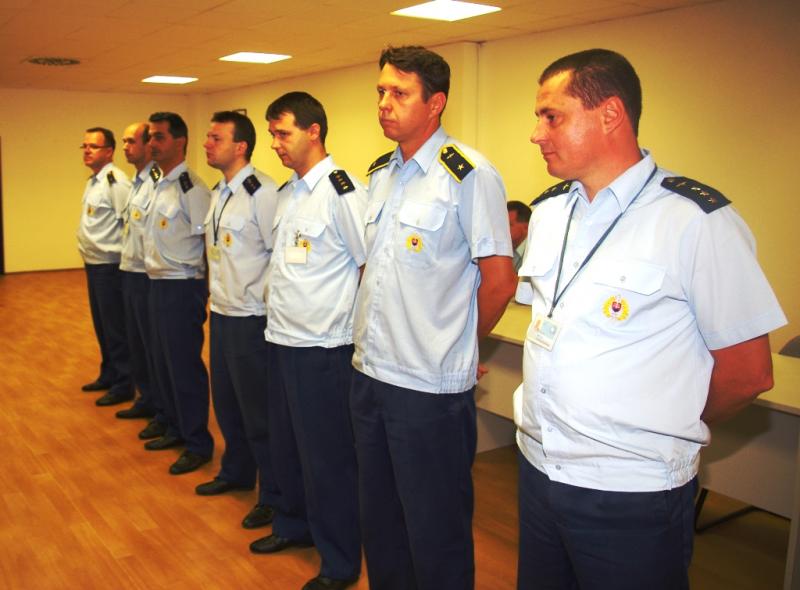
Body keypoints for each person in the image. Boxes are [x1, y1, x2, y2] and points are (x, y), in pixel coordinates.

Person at [516, 48, 787, 590]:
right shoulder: (547, 213)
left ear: (610, 114)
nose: (536, 133)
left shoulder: (694, 220)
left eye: (552, 116)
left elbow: (748, 372)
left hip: (630, 488)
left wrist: (666, 424)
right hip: (539, 467)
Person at [351, 46, 518, 590]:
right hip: (370, 374)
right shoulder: (380, 173)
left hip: (427, 388)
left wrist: (460, 346)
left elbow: (499, 280)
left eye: (399, 93)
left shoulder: (467, 175)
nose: (384, 103)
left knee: (435, 530)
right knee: (380, 523)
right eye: (381, 91)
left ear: (435, 102)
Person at [250, 92, 365, 590]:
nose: (275, 143)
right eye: (272, 134)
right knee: (287, 447)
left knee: (327, 460)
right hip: (281, 338)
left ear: (313, 131)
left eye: (283, 133)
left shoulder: (343, 192)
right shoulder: (288, 191)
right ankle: (293, 525)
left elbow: (368, 268)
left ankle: (339, 561)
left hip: (323, 348)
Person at [195, 110, 279, 532]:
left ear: (240, 146)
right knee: (227, 403)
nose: (207, 144)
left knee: (258, 413)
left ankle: (273, 495)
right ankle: (237, 471)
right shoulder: (220, 192)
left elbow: (276, 256)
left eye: (216, 138)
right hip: (223, 312)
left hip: (251, 319)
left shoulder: (262, 192)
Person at [142, 112, 213, 476]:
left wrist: (205, 290)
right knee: (162, 362)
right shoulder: (159, 184)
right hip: (157, 282)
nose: (152, 144)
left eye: (159, 137)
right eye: (150, 137)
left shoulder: (192, 188)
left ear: (179, 141)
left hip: (182, 285)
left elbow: (207, 242)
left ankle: (197, 442)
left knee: (183, 366)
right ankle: (174, 425)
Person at [77, 126, 133, 407]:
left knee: (115, 328)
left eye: (93, 146)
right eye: (84, 146)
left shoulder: (116, 182)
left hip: (110, 267)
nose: (87, 151)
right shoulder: (94, 181)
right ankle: (109, 374)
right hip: (94, 264)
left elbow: (129, 223)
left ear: (109, 151)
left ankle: (124, 383)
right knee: (102, 326)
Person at [115, 122, 165, 423]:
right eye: (123, 141)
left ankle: (159, 405)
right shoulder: (136, 182)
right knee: (136, 343)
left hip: (147, 275)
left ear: (148, 145)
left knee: (151, 346)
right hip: (130, 271)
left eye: (131, 141)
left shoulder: (156, 183)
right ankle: (146, 398)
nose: (125, 147)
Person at [507, 200, 531, 272]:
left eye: (509, 225)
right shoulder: (503, 250)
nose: (502, 230)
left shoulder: (535, 252)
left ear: (526, 227)